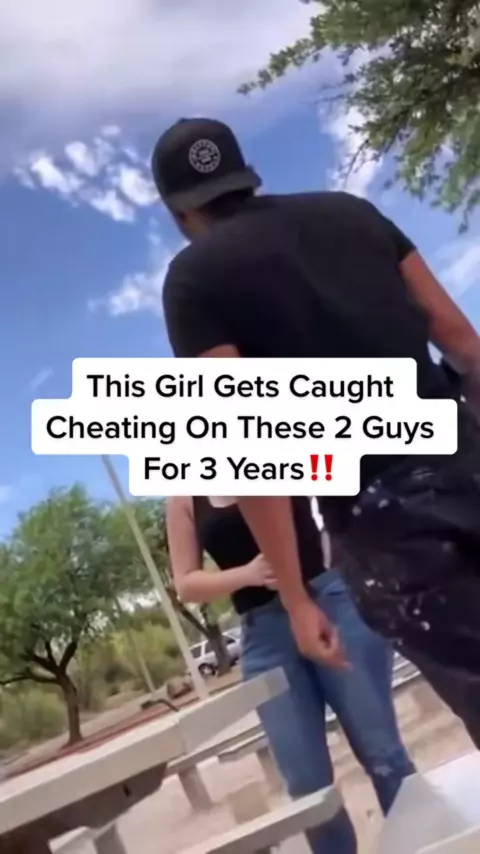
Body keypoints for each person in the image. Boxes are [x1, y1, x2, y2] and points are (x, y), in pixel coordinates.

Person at [152, 117, 480, 745]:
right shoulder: (352, 214)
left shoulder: (193, 279)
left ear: (179, 212)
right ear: (246, 176)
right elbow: (461, 340)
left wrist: (298, 599)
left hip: (385, 519)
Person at [167, 494, 415, 854]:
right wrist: (247, 574)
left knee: (383, 754)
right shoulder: (184, 499)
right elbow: (186, 584)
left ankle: (426, 845)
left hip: (329, 602)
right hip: (263, 635)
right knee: (307, 788)